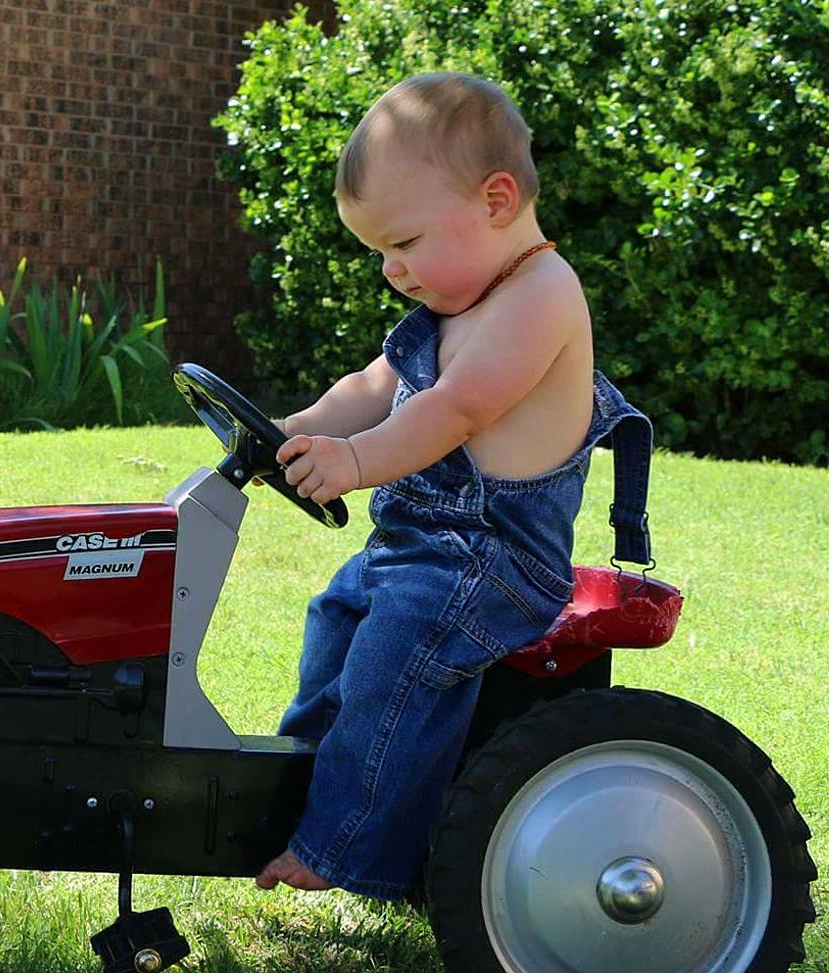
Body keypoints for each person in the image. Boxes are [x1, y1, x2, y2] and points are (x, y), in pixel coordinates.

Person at [254, 72, 654, 899]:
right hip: (419, 547)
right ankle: (288, 792)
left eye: (403, 243)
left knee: (391, 663)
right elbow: (373, 387)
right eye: (381, 255)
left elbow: (455, 409)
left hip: (495, 560)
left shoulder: (541, 297)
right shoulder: (457, 299)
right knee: (335, 618)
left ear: (497, 200)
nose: (394, 270)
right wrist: (290, 430)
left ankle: (345, 848)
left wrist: (355, 463)